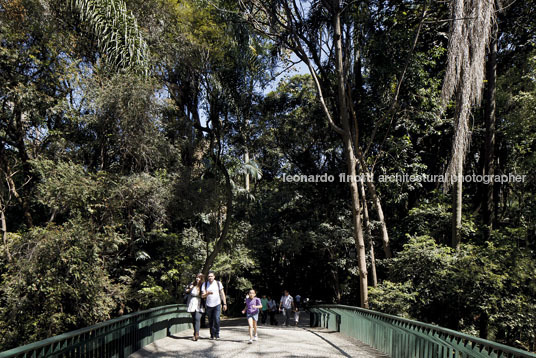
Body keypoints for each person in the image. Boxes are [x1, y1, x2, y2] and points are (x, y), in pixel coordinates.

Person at [202, 271, 227, 340]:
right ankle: (212, 334)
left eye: (211, 276)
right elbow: (203, 296)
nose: (210, 278)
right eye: (209, 276)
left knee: (216, 319)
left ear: (214, 277)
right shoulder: (205, 284)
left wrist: (224, 303)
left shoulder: (218, 283)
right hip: (209, 305)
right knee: (210, 320)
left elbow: (222, 293)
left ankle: (217, 334)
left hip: (217, 304)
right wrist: (208, 293)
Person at [185, 273, 204, 341]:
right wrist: (190, 288)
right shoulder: (192, 284)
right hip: (192, 302)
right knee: (194, 319)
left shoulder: (203, 285)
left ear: (201, 278)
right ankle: (195, 332)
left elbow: (204, 294)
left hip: (199, 303)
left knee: (197, 318)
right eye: (196, 277)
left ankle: (197, 333)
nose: (197, 278)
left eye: (199, 277)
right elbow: (186, 291)